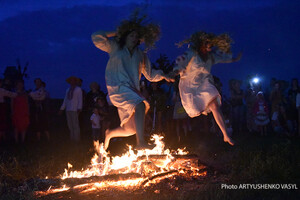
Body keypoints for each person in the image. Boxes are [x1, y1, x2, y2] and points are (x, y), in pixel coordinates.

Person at [91, 14, 173, 150]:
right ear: (125, 36)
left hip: (131, 90)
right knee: (140, 105)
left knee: (131, 129)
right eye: (131, 35)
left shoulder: (141, 55)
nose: (134, 39)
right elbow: (96, 37)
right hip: (117, 88)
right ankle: (140, 143)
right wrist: (117, 32)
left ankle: (110, 133)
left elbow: (151, 74)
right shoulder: (115, 48)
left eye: (136, 36)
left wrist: (164, 75)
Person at [172, 31, 242, 146]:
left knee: (215, 106)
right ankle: (193, 134)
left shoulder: (211, 56)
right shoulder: (191, 53)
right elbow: (181, 63)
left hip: (204, 83)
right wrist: (173, 73)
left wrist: (235, 59)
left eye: (211, 45)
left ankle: (225, 135)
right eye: (206, 44)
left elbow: (222, 58)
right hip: (189, 85)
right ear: (200, 44)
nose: (209, 47)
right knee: (196, 111)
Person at [59, 76, 83, 142]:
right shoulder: (68, 90)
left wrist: (79, 108)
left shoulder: (78, 89)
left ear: (75, 81)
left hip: (75, 109)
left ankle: (77, 139)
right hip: (68, 109)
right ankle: (72, 138)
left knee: (75, 124)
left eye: (73, 80)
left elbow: (80, 99)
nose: (72, 82)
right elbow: (65, 100)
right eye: (71, 81)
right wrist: (62, 108)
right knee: (70, 124)